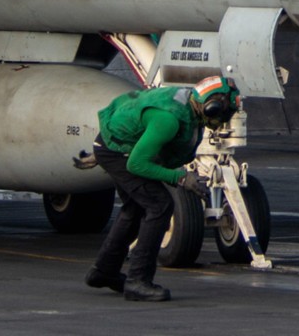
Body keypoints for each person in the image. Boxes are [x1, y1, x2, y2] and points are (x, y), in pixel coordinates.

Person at [84, 76, 240, 301]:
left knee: (135, 208)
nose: (224, 118)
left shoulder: (187, 105)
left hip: (114, 147)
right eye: (225, 112)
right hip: (120, 153)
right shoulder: (169, 120)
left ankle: (103, 272)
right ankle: (138, 281)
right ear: (212, 107)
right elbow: (136, 164)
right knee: (159, 206)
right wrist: (180, 178)